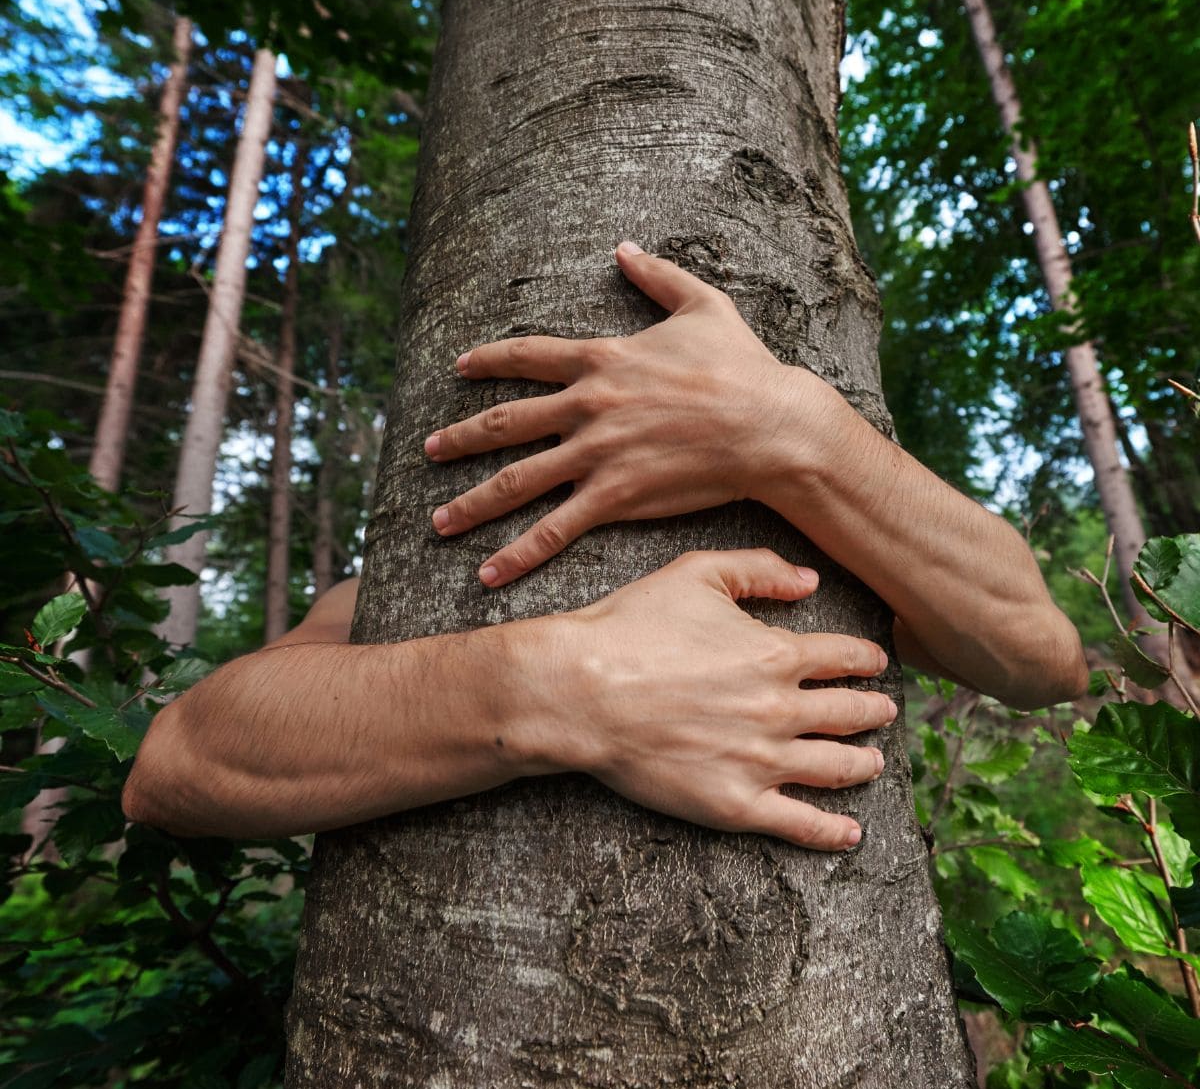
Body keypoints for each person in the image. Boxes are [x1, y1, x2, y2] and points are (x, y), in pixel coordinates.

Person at [121, 243, 1086, 851]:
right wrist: (567, 684)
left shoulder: (839, 522)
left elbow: (1038, 654)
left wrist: (786, 429)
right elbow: (181, 762)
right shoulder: (428, 567)